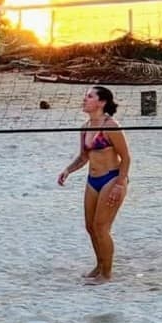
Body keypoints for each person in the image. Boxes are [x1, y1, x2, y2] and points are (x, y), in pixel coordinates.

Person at [58, 84, 131, 283]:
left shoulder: (111, 125)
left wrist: (120, 183)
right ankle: (99, 265)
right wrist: (68, 170)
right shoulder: (85, 127)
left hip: (112, 178)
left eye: (89, 96)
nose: (85, 99)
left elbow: (126, 158)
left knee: (101, 227)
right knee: (90, 227)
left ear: (101, 102)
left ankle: (107, 274)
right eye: (86, 96)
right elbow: (83, 157)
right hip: (93, 180)